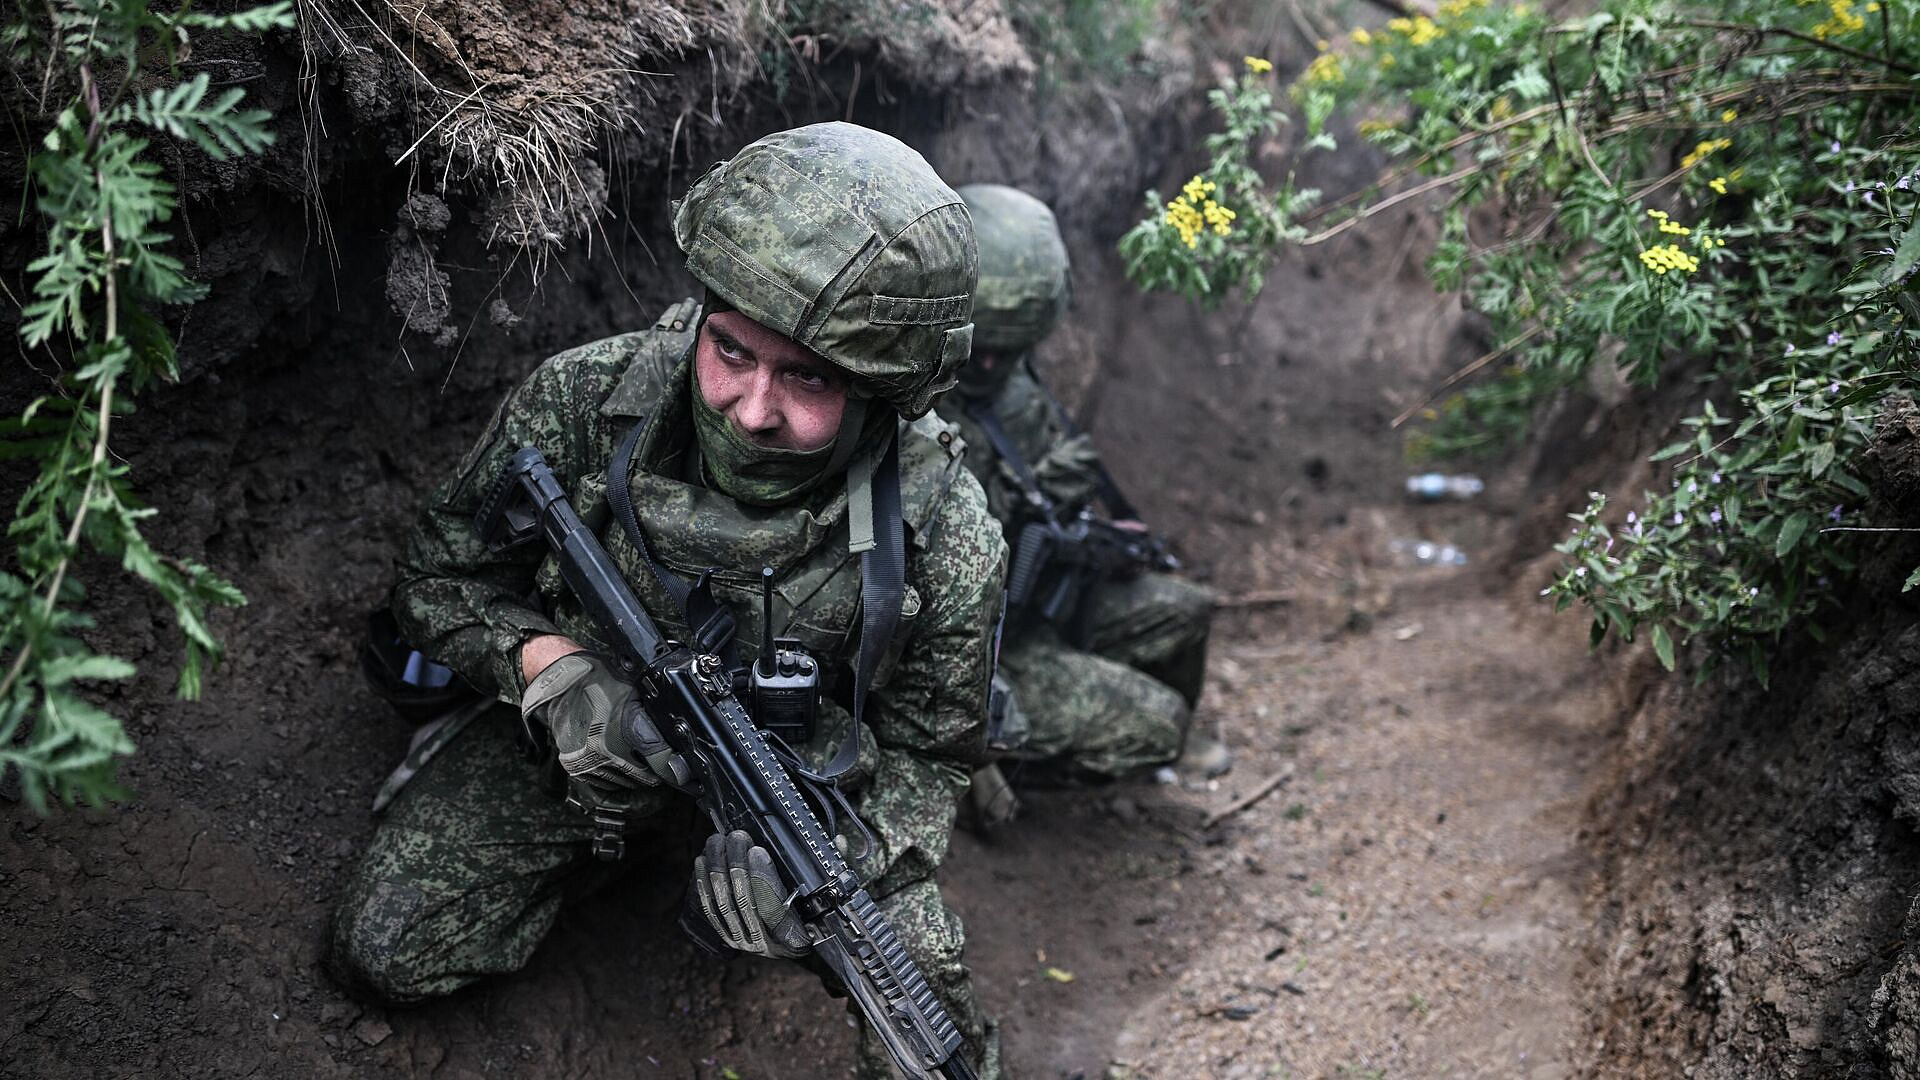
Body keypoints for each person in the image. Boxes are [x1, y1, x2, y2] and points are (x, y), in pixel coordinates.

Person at [328, 122, 1003, 1079]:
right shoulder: (584, 400)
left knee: (930, 1027)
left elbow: (935, 752)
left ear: (887, 391)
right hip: (593, 743)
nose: (754, 408)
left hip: (804, 802)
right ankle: (622, 852)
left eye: (809, 378)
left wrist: (834, 869)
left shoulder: (945, 528)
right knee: (387, 944)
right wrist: (548, 673)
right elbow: (440, 575)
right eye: (730, 351)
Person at [937, 183, 1227, 797]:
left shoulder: (1014, 383)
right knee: (1157, 723)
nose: (991, 364)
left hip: (1040, 597)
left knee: (1188, 607)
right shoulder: (916, 406)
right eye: (981, 349)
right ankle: (1022, 772)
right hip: (978, 647)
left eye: (1007, 349)